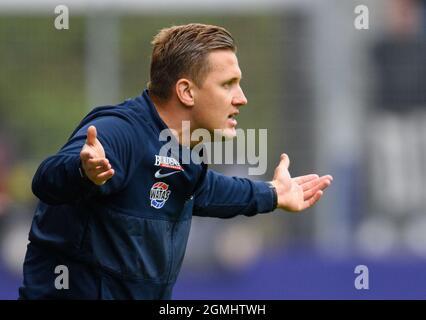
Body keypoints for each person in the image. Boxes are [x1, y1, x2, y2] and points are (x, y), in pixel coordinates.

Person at [19, 23, 332, 299]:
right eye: (228, 84)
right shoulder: (120, 131)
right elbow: (46, 179)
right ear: (186, 91)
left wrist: (274, 193)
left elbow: (206, 190)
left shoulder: (179, 150)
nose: (241, 98)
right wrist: (82, 171)